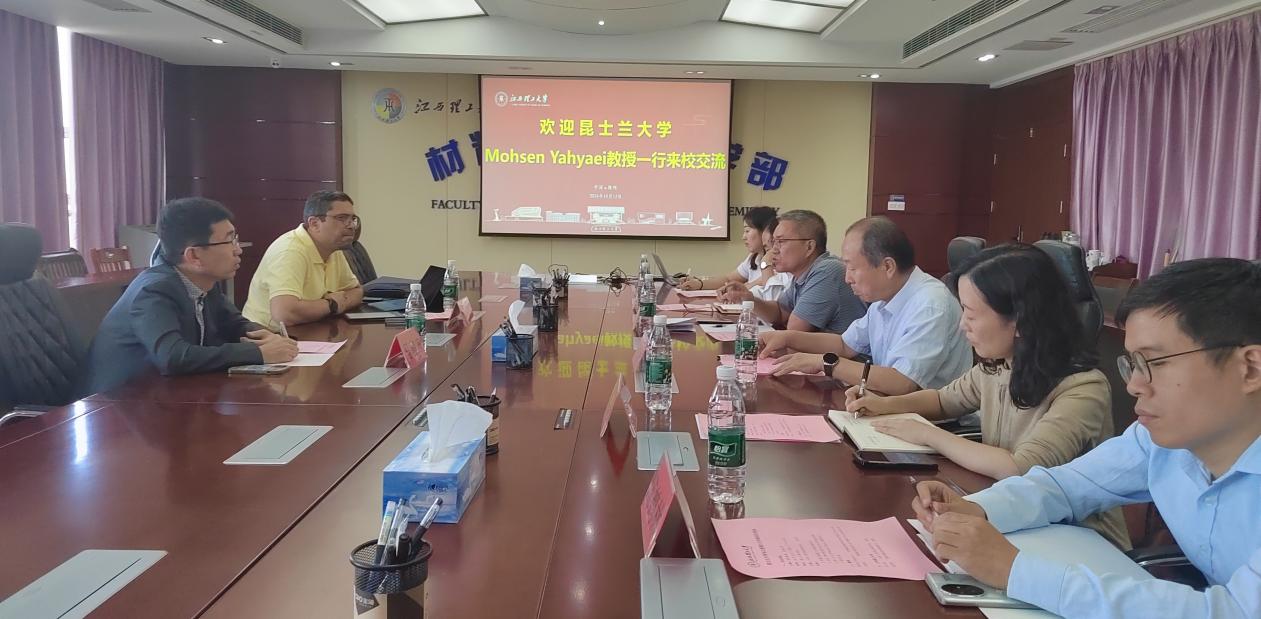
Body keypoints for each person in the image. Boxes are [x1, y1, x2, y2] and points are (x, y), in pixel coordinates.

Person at [911, 258, 1261, 619]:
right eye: (1133, 364)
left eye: (1155, 363)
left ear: (1249, 368)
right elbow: (1065, 486)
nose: (1133, 385)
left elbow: (1234, 612)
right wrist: (978, 508)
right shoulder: (1157, 441)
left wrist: (1015, 570)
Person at [845, 245, 1129, 549]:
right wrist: (884, 405)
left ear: (1020, 320)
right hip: (1012, 514)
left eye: (970, 314)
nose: (962, 325)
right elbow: (943, 401)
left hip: (1079, 540)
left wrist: (928, 435)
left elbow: (1020, 468)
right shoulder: (999, 365)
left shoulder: (1083, 388)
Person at [81, 198, 298, 394]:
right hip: (116, 406)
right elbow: (173, 357)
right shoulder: (154, 291)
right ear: (194, 255)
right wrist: (257, 353)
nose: (238, 250)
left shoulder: (205, 283)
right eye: (229, 241)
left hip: (167, 397)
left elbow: (234, 323)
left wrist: (265, 336)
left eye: (236, 239)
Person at [760, 216, 972, 394]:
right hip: (888, 407)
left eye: (852, 268)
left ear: (887, 266)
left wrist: (825, 363)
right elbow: (844, 345)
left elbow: (901, 382)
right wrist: (787, 338)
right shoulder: (884, 299)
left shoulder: (930, 305)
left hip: (936, 423)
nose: (847, 279)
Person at [721, 209, 865, 333]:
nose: (773, 250)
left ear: (809, 247)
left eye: (781, 242)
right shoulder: (801, 274)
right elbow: (780, 312)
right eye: (773, 242)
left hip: (841, 357)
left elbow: (793, 330)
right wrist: (748, 298)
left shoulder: (827, 271)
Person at [243, 190, 364, 328]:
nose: (351, 225)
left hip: (309, 328)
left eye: (353, 219)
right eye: (342, 218)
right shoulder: (290, 251)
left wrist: (332, 304)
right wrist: (332, 304)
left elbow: (357, 292)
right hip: (268, 334)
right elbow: (284, 314)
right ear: (314, 224)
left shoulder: (333, 248)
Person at [677, 206, 777, 291]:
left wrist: (739, 287)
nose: (743, 237)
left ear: (765, 231)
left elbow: (762, 283)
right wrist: (699, 284)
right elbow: (728, 279)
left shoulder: (776, 259)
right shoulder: (754, 257)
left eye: (747, 231)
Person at [747, 218, 792, 301]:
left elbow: (773, 302)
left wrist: (765, 264)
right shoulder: (780, 273)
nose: (774, 249)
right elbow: (759, 292)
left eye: (780, 242)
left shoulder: (793, 274)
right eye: (767, 249)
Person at [342, 216, 377, 284]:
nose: (352, 226)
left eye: (353, 219)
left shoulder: (357, 246)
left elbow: (372, 283)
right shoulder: (337, 252)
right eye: (341, 218)